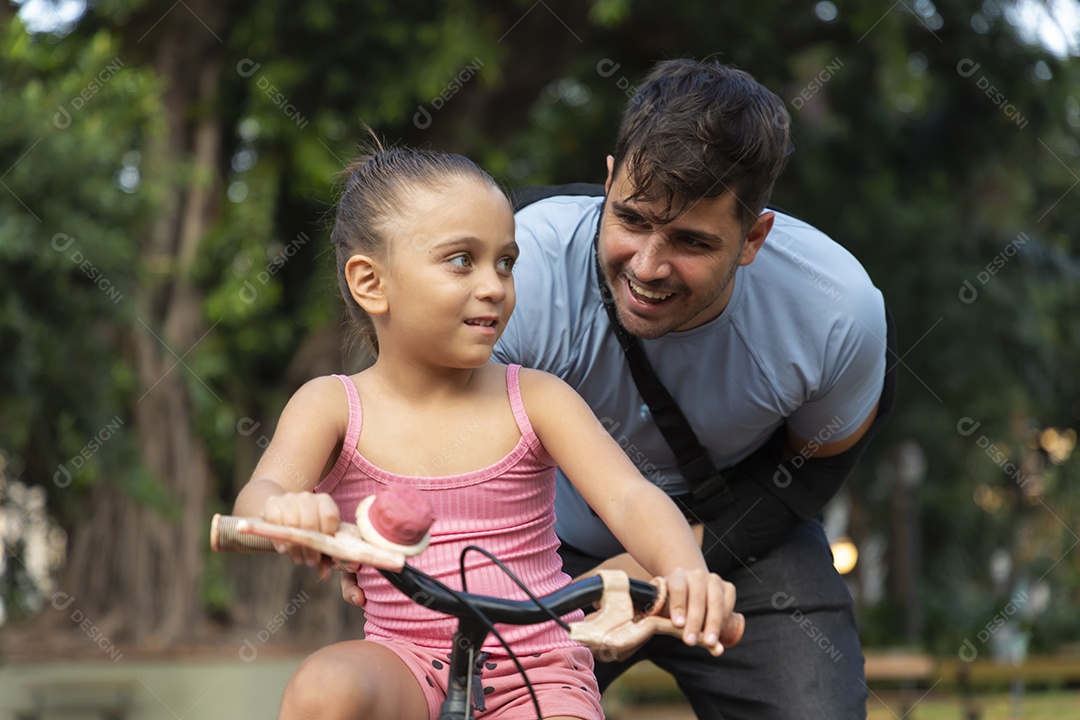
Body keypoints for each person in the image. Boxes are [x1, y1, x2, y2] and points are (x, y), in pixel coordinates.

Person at [233, 145, 744, 720]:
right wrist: (288, 513)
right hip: (407, 660)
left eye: (505, 263)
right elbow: (262, 492)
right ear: (371, 283)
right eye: (461, 261)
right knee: (324, 687)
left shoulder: (536, 398)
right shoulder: (331, 405)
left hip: (540, 668)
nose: (495, 286)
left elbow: (630, 497)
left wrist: (687, 575)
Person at [492, 58, 893, 719]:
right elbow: (435, 432)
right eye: (632, 220)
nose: (648, 267)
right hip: (535, 539)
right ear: (609, 179)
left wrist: (657, 562)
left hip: (736, 535)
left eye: (690, 241)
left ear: (753, 237)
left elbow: (808, 472)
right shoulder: (517, 266)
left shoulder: (835, 311)